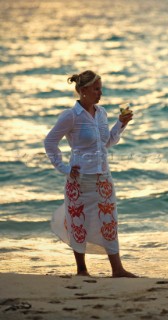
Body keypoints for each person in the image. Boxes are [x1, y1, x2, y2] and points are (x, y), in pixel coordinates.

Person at [44, 70, 137, 277]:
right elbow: (50, 142)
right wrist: (65, 169)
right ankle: (82, 270)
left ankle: (117, 269)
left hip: (103, 176)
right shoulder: (71, 116)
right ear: (83, 90)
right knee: (78, 221)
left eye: (101, 89)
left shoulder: (102, 113)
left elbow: (107, 142)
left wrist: (122, 124)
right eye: (96, 89)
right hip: (80, 179)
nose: (100, 93)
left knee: (109, 221)